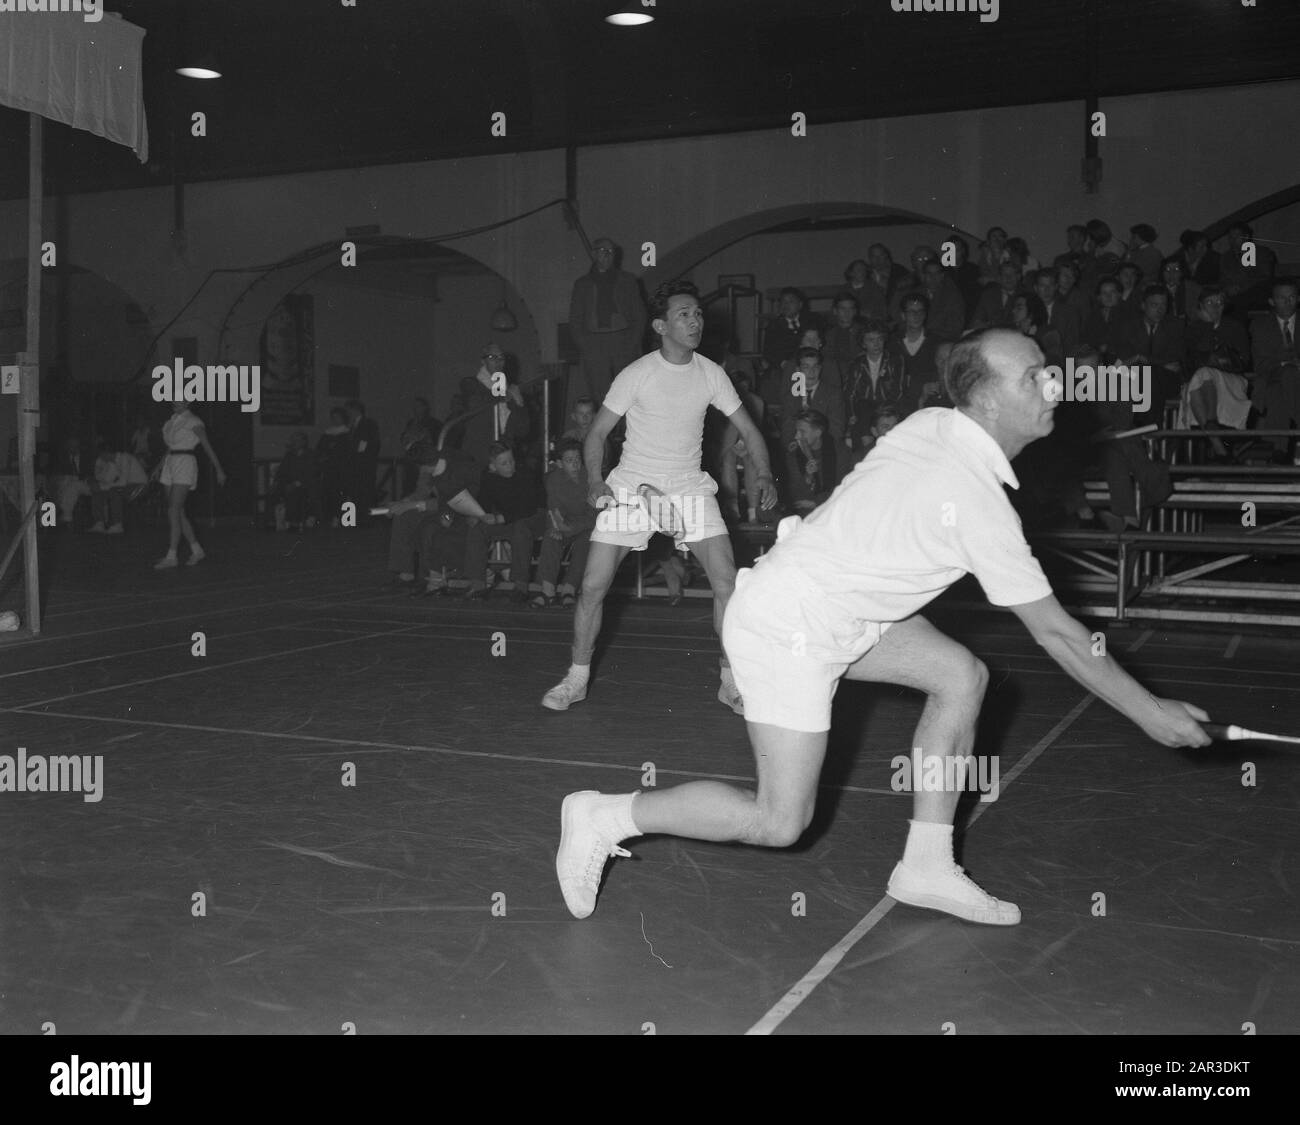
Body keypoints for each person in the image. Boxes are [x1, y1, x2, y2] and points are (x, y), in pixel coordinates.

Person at [554, 328, 1212, 923]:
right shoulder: (977, 504)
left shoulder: (932, 423)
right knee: (780, 821)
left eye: (1049, 368)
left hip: (836, 607)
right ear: (984, 402)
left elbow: (879, 541)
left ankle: (926, 864)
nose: (1055, 384)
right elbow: (1063, 635)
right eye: (1031, 376)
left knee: (960, 673)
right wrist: (1148, 711)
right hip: (789, 626)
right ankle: (603, 814)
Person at [540, 279, 778, 715]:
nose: (695, 321)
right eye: (684, 314)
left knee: (727, 582)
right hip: (631, 486)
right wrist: (596, 481)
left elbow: (749, 429)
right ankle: (576, 679)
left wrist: (763, 472)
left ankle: (730, 682)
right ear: (660, 325)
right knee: (593, 586)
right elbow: (596, 434)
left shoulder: (712, 373)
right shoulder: (637, 373)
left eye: (698, 314)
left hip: (689, 487)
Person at [462, 443, 547, 601]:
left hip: (534, 518)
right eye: (504, 463)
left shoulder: (525, 473)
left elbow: (528, 507)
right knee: (478, 529)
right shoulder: (488, 477)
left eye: (511, 461)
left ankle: (521, 586)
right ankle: (478, 585)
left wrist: (500, 518)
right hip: (509, 520)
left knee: (521, 530)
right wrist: (477, 515)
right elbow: (484, 503)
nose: (510, 466)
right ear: (493, 466)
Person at [568, 238, 647, 404]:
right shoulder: (582, 284)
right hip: (594, 344)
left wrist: (632, 342)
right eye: (603, 251)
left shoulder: (627, 280)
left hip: (623, 341)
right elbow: (575, 320)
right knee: (600, 394)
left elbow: (639, 315)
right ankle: (606, 429)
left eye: (611, 252)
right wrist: (586, 345)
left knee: (628, 391)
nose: (608, 255)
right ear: (594, 253)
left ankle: (628, 429)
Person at [1178, 286, 1252, 459]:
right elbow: (1187, 360)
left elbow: (1242, 361)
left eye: (1219, 302)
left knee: (1202, 375)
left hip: (1230, 378)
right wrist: (1207, 327)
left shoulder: (1235, 326)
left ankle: (1212, 429)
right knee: (1202, 376)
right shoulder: (1193, 329)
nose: (1215, 306)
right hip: (1200, 379)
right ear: (1200, 307)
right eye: (1210, 302)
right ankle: (1217, 441)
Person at [153, 402, 226, 569]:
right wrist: (159, 466)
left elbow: (207, 445)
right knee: (178, 512)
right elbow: (170, 447)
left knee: (173, 510)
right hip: (170, 464)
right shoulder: (171, 421)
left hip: (185, 464)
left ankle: (171, 556)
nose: (176, 402)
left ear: (187, 402)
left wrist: (219, 469)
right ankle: (197, 550)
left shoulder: (194, 421)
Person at [535, 438, 597, 608]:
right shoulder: (553, 480)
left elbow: (595, 515)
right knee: (551, 538)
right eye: (570, 461)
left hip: (587, 525)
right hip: (565, 524)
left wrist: (568, 528)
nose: (575, 464)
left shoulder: (591, 478)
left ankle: (569, 589)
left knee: (586, 541)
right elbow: (553, 508)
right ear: (560, 464)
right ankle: (547, 590)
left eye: (578, 459)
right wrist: (556, 527)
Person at [1249, 278, 1300, 461]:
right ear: (1271, 301)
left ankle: (1279, 449)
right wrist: (1288, 364)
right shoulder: (1260, 325)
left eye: (1292, 297)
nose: (1287, 302)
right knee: (1286, 376)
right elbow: (1261, 365)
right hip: (1272, 377)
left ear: (1298, 298)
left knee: (1278, 392)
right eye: (1281, 298)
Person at [783, 408, 839, 513]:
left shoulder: (839, 451)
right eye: (796, 431)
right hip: (804, 511)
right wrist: (808, 478)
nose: (797, 436)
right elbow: (795, 495)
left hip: (833, 508)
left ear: (818, 432)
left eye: (802, 432)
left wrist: (817, 503)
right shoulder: (794, 455)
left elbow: (843, 486)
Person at [89, 442, 147, 534]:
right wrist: (100, 487)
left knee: (114, 491)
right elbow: (109, 481)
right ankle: (99, 523)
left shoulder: (125, 458)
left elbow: (122, 483)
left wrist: (102, 486)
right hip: (127, 486)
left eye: (101, 455)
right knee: (98, 492)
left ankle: (118, 524)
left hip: (140, 486)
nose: (100, 458)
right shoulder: (113, 462)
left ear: (106, 453)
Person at [270, 431, 317, 531]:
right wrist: (276, 482)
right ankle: (273, 522)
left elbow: (310, 474)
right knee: (273, 492)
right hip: (289, 483)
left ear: (303, 442)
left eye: (296, 440)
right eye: (293, 440)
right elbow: (281, 471)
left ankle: (293, 523)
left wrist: (295, 484)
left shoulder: (311, 454)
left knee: (294, 492)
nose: (294, 442)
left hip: (304, 485)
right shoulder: (289, 455)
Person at [344, 399, 380, 522]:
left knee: (364, 492)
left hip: (364, 465)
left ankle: (364, 520)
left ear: (355, 410)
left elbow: (368, 444)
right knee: (355, 491)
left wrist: (357, 454)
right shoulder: (352, 425)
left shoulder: (368, 424)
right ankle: (354, 519)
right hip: (353, 465)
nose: (347, 413)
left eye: (348, 410)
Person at [316, 406, 352, 527]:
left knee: (339, 494)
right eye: (333, 417)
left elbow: (345, 452)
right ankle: (330, 517)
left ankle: (339, 517)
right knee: (328, 493)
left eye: (338, 417)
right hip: (328, 469)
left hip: (341, 469)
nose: (335, 420)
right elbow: (319, 449)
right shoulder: (327, 433)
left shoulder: (348, 433)